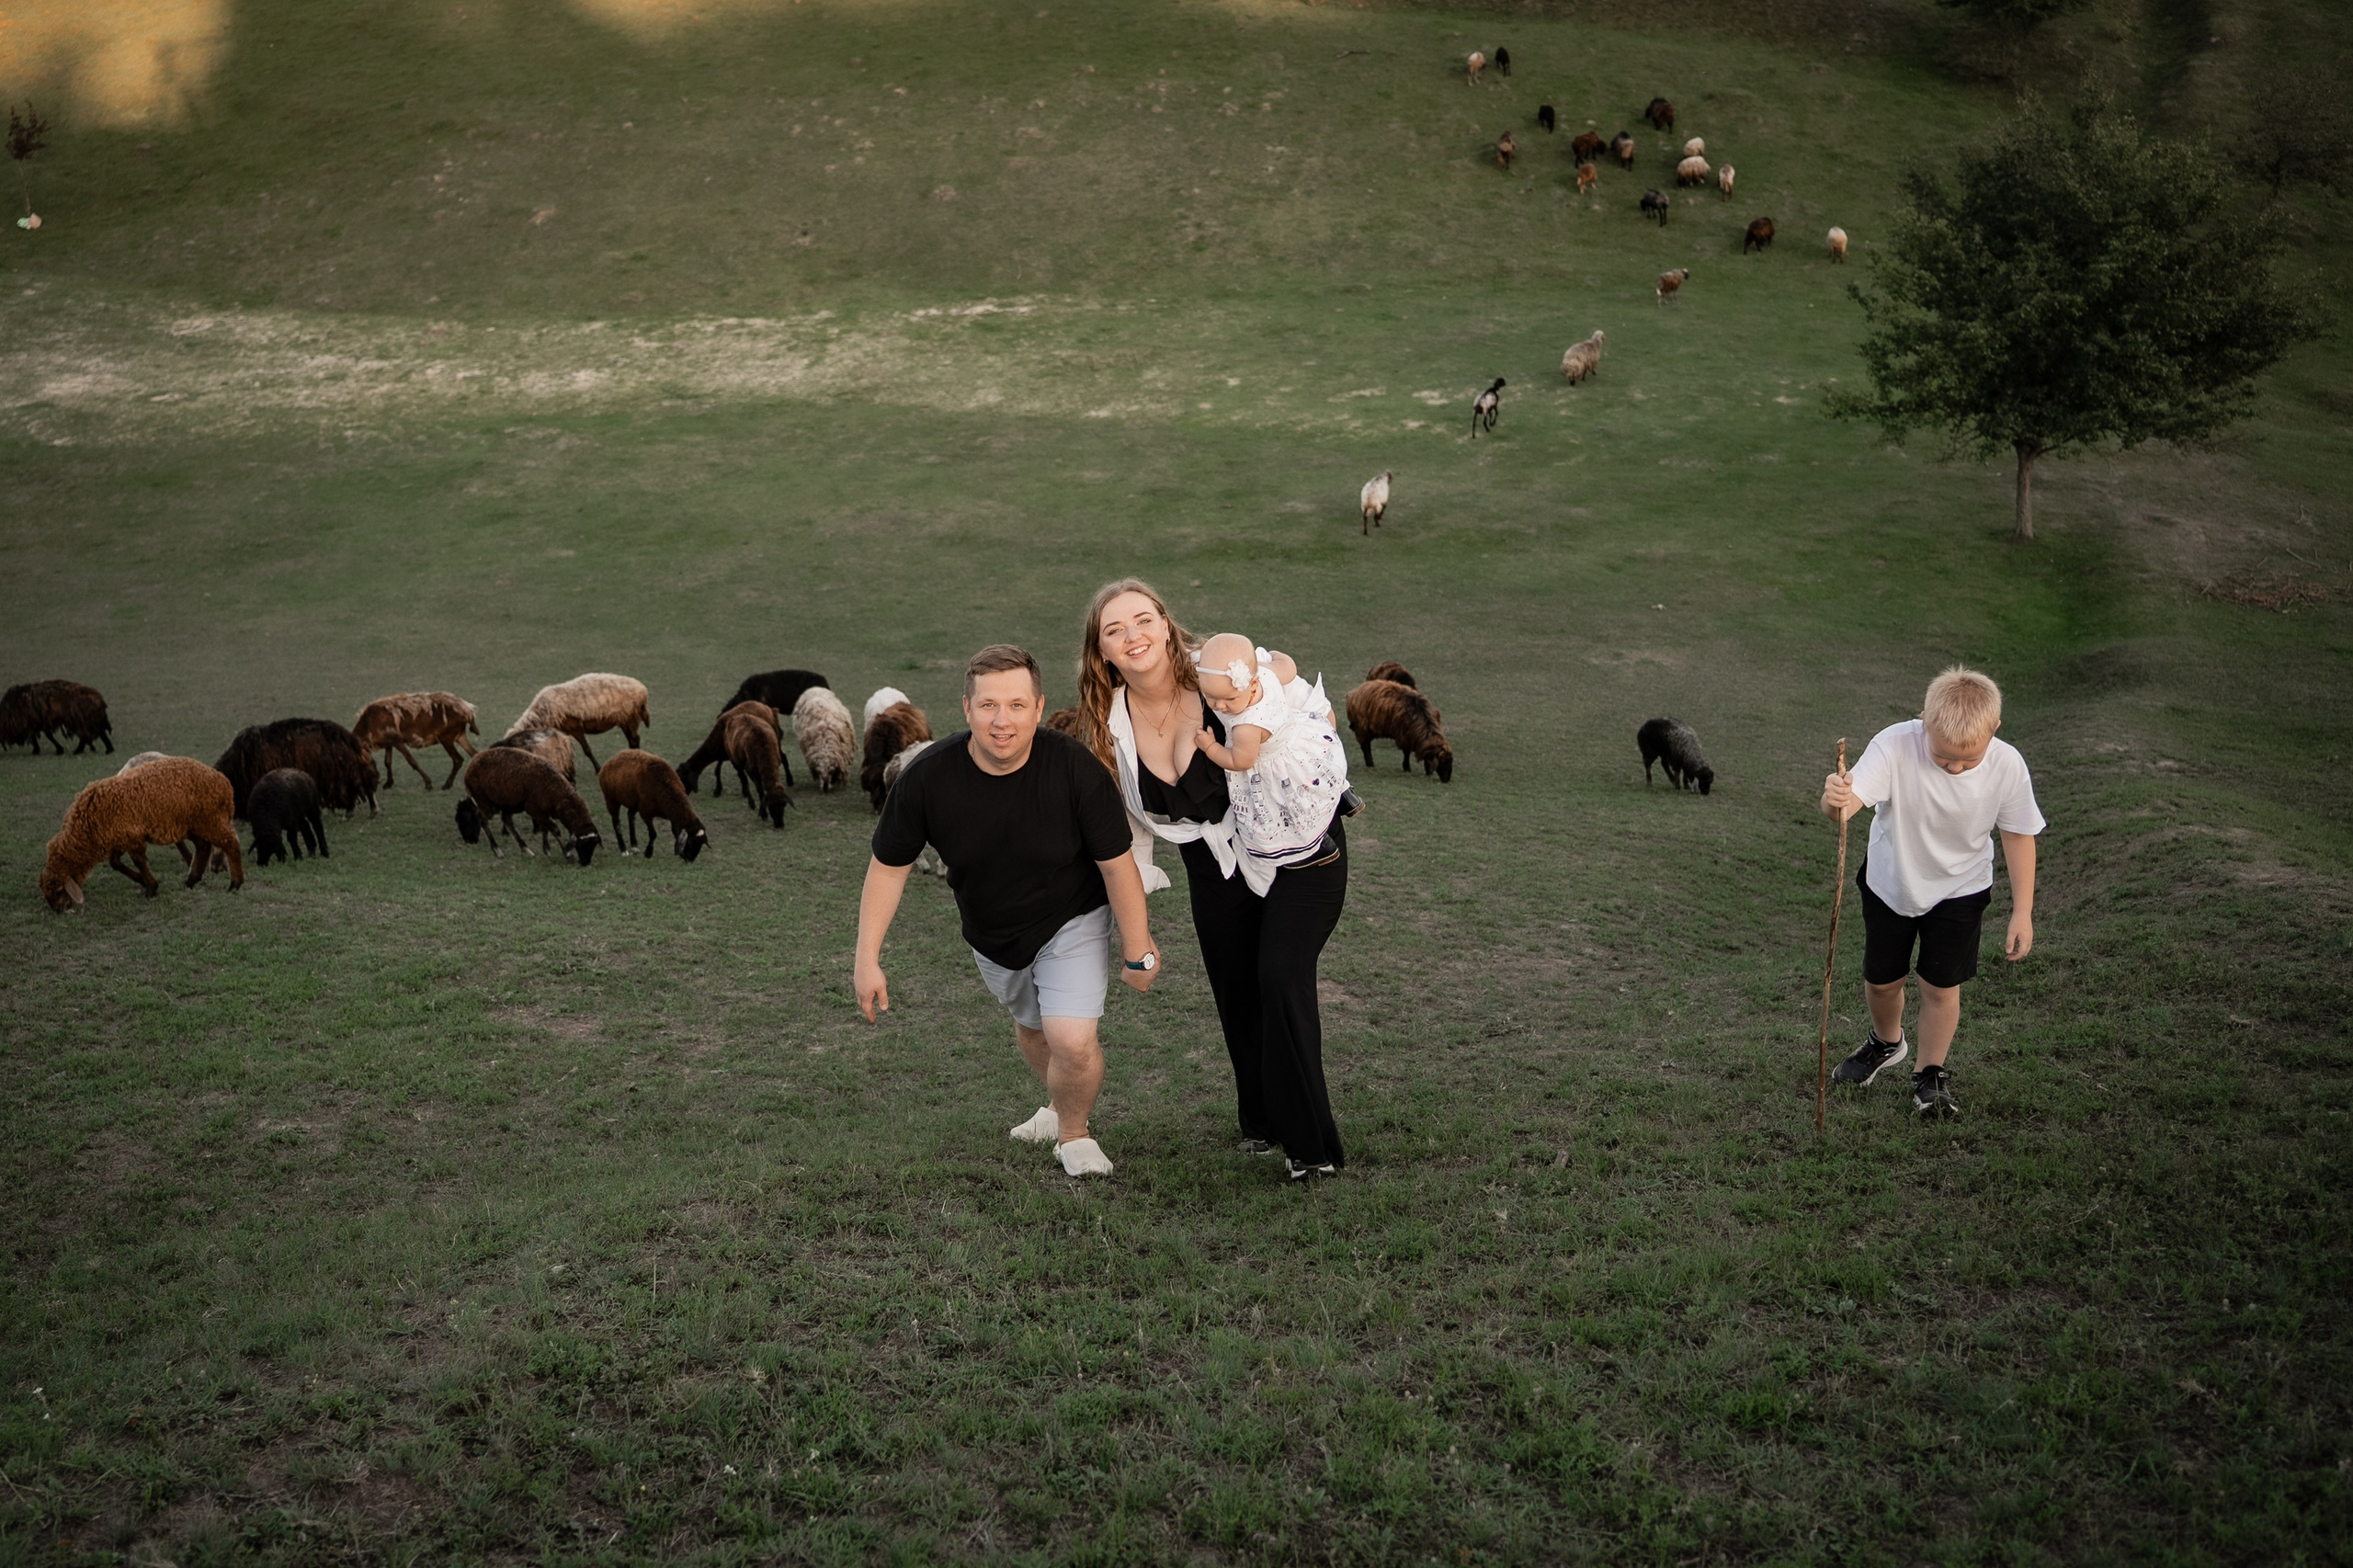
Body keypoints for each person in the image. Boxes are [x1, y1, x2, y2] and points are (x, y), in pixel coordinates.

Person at [1074, 580, 1349, 1180]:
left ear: (1166, 625)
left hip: (1297, 850)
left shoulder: (1220, 671)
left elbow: (1304, 699)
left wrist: (1302, 740)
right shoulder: (1108, 722)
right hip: (1211, 865)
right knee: (1236, 989)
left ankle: (1311, 1147)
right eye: (1114, 630)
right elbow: (1125, 826)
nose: (1133, 635)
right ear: (1102, 653)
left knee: (1280, 976)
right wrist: (1136, 932)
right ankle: (1262, 1121)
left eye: (1143, 620)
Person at [855, 644, 1161, 1177]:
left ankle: (1074, 1134)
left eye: (1017, 705)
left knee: (1072, 1040)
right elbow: (887, 868)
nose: (1003, 720)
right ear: (967, 708)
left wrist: (1139, 947)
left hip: (1073, 916)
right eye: (989, 705)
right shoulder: (928, 777)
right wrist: (867, 959)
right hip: (993, 932)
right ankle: (1056, 1106)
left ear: (1038, 708)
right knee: (1035, 1029)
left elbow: (1117, 865)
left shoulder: (1074, 768)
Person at [1819, 666, 2044, 1119]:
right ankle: (1887, 1042)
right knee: (1882, 981)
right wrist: (1834, 799)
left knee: (1940, 986)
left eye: (1968, 760)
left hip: (1961, 889)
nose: (1955, 768)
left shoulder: (2006, 765)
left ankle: (1929, 1073)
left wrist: (2023, 911)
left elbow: (2018, 835)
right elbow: (1844, 810)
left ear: (1995, 730)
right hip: (1891, 884)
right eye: (1942, 757)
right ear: (1924, 721)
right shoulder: (1894, 746)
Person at [1189, 631, 1353, 894]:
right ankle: (1344, 797)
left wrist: (1210, 747)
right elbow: (1289, 667)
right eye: (1211, 697)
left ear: (1252, 684)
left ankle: (1310, 847)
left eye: (1229, 699)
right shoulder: (1266, 673)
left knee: (1287, 811)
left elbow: (1241, 760)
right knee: (1319, 784)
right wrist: (1275, 656)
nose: (1220, 706)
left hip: (1277, 769)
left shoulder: (1247, 725)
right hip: (1302, 745)